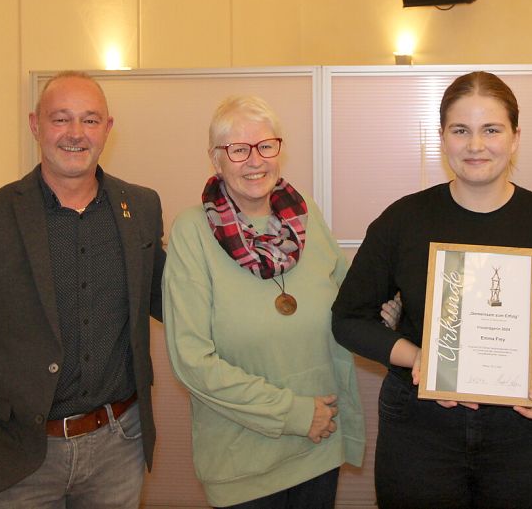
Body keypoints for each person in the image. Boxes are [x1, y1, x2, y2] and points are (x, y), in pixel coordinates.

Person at [332, 71, 532, 508]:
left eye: (491, 130)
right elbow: (348, 320)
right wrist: (419, 357)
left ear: (515, 137)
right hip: (421, 428)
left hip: (526, 427)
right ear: (442, 137)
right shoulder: (403, 221)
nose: (476, 145)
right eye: (461, 130)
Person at [0, 70, 165, 507]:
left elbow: (174, 299)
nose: (75, 134)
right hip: (16, 459)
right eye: (60, 119)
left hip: (118, 448)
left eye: (89, 120)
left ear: (107, 128)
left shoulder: (140, 208)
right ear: (35, 125)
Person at [162, 96, 398, 509]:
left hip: (319, 446)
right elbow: (192, 359)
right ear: (216, 159)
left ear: (279, 150)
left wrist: (392, 315)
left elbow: (349, 305)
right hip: (245, 463)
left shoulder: (305, 218)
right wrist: (293, 414)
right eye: (238, 149)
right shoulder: (192, 232)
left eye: (265, 145)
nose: (255, 161)